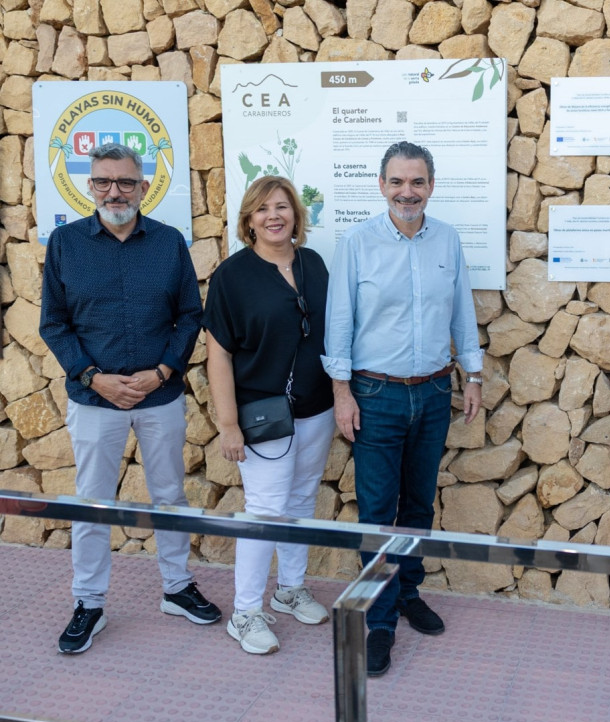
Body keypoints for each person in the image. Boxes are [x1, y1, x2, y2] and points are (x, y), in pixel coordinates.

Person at [39, 142, 221, 654]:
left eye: (124, 182)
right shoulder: (65, 244)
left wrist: (163, 369)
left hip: (158, 395)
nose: (113, 191)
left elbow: (190, 314)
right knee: (93, 504)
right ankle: (89, 603)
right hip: (95, 399)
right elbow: (53, 323)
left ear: (143, 187)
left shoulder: (168, 242)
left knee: (170, 496)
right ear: (89, 185)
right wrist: (94, 377)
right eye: (102, 181)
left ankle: (177, 587)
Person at [324, 141, 482, 677]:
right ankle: (380, 622)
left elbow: (462, 311)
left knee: (417, 506)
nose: (407, 192)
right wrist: (341, 393)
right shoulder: (358, 242)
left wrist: (473, 374)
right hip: (376, 395)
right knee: (376, 513)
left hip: (435, 391)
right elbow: (339, 323)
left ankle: (409, 593)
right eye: (397, 182)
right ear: (381, 185)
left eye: (417, 182)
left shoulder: (448, 240)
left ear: (431, 186)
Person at [204, 176, 336, 655]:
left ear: (296, 216)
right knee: (263, 512)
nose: (273, 216)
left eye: (282, 207)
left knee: (301, 500)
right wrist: (227, 423)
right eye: (262, 209)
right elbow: (217, 355)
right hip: (261, 417)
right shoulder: (232, 277)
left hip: (316, 408)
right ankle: (245, 613)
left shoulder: (314, 265)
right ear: (248, 220)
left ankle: (290, 588)